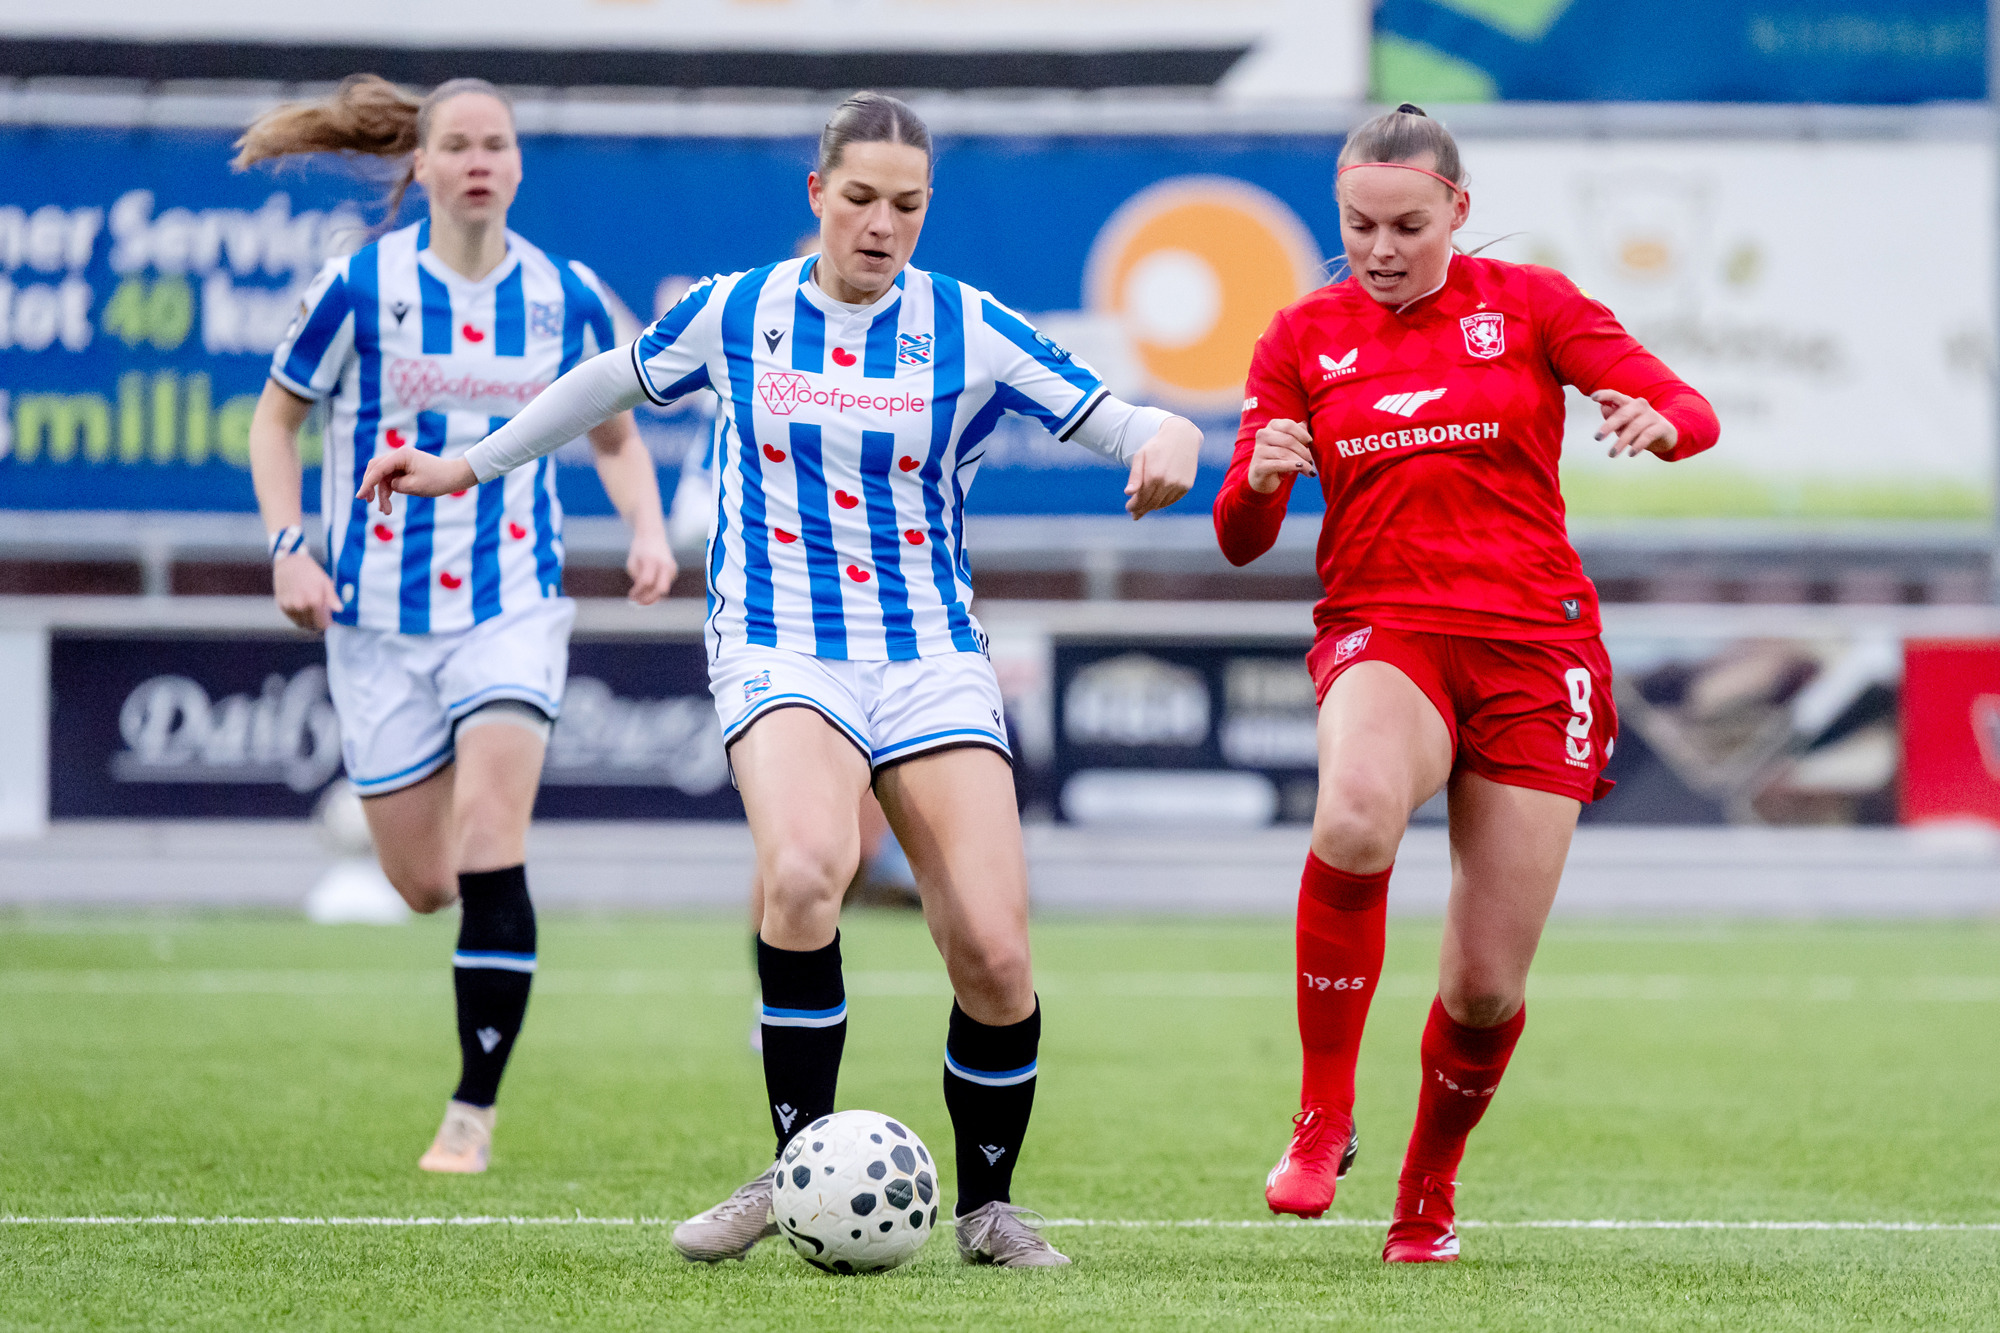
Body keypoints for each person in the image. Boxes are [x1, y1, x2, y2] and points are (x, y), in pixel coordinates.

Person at [356, 90, 1203, 1266]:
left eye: (905, 206)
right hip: (777, 641)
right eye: (857, 198)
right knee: (807, 871)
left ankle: (988, 1209)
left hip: (927, 655)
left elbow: (1126, 419)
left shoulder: (965, 324)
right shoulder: (734, 311)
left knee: (997, 958)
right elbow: (600, 384)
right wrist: (465, 463)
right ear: (816, 193)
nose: (879, 224)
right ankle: (793, 1165)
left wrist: (1172, 441)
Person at [1212, 105, 1718, 1263]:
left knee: (1484, 987)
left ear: (1457, 214)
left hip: (1535, 649)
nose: (1380, 249)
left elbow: (1688, 407)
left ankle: (1424, 1197)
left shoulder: (1530, 304)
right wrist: (1261, 480)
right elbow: (1240, 534)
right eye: (1357, 227)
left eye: (1406, 225)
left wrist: (1657, 421)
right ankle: (1322, 1113)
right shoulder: (1300, 335)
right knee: (1350, 812)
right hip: (1385, 626)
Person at [241, 74, 677, 1174]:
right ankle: (453, 962)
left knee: (491, 839)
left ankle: (470, 1111)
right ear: (423, 167)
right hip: (376, 619)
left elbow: (617, 435)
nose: (480, 160)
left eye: (498, 143)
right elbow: (275, 421)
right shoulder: (356, 287)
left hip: (510, 605)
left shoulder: (566, 296)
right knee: (423, 883)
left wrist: (647, 531)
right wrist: (291, 544)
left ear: (517, 166)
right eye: (459, 145)